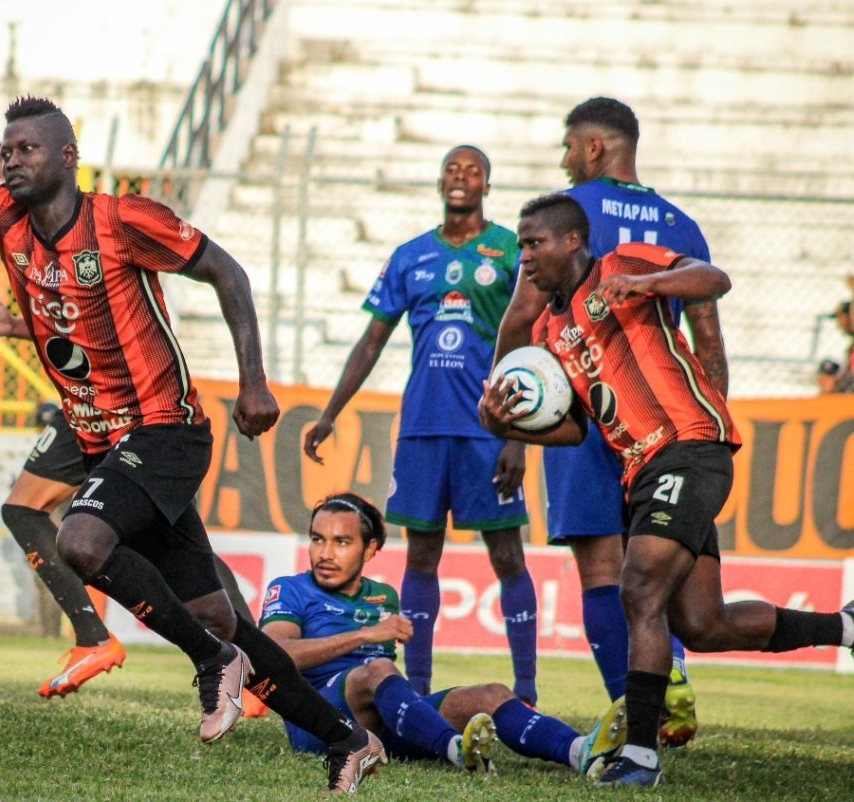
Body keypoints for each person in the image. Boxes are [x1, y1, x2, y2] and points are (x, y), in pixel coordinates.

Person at [0, 5, 383, 792]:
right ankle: (346, 740)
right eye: (4, 151)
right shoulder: (6, 221)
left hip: (165, 428)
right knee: (218, 612)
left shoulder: (123, 219)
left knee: (81, 543)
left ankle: (215, 666)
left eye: (27, 149)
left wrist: (253, 381)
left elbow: (227, 272)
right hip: (105, 440)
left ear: (69, 157)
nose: (9, 162)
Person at [479, 193, 854, 787]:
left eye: (534, 243)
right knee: (703, 624)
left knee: (639, 586)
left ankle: (640, 755)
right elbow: (576, 427)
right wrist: (506, 423)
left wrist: (651, 285)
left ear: (572, 240)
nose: (523, 255)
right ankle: (847, 628)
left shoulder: (623, 263)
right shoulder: (551, 330)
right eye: (521, 245)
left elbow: (714, 279)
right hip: (643, 469)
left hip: (690, 444)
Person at [492, 97, 726, 746]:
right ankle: (667, 684)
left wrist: (512, 428)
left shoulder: (565, 218)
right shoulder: (681, 224)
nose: (564, 160)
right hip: (671, 424)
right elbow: (708, 338)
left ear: (594, 147)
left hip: (586, 412)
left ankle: (640, 711)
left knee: (602, 570)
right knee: (656, 578)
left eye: (569, 147)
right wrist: (710, 428)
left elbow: (520, 320)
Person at [303, 146, 538, 704]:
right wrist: (331, 412)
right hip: (423, 430)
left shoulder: (509, 251)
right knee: (421, 556)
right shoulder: (410, 256)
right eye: (453, 170)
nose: (461, 178)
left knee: (507, 555)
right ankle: (421, 685)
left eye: (473, 171)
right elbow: (372, 341)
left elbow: (530, 338)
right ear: (440, 182)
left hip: (489, 429)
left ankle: (527, 687)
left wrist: (518, 438)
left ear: (488, 184)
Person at [0, 291, 267, 716]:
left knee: (26, 508)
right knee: (179, 541)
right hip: (109, 405)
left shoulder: (76, 237)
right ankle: (257, 674)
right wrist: (17, 326)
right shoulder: (59, 242)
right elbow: (80, 326)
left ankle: (94, 637)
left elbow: (100, 322)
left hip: (108, 404)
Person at [260, 492, 629, 777]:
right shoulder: (290, 589)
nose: (325, 553)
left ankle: (579, 751)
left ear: (370, 549)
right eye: (317, 539)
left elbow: (385, 688)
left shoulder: (383, 596)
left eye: (341, 542)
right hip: (318, 728)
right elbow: (276, 653)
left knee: (491, 694)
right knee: (375, 671)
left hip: (375, 723)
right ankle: (456, 750)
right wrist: (364, 635)